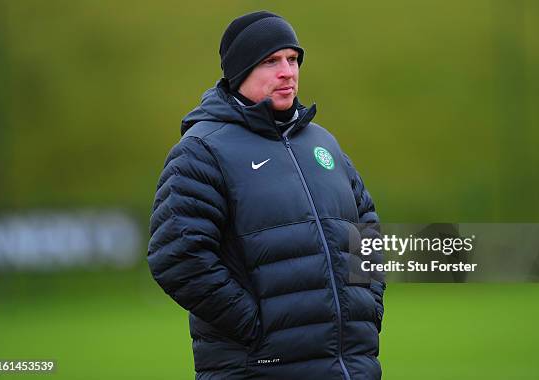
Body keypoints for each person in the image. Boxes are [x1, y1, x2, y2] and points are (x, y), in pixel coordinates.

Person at [147, 10, 385, 380]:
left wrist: (368, 308)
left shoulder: (323, 143)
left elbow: (366, 226)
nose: (287, 71)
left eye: (293, 59)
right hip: (259, 369)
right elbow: (177, 256)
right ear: (240, 71)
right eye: (271, 61)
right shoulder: (202, 150)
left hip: (349, 367)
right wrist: (256, 328)